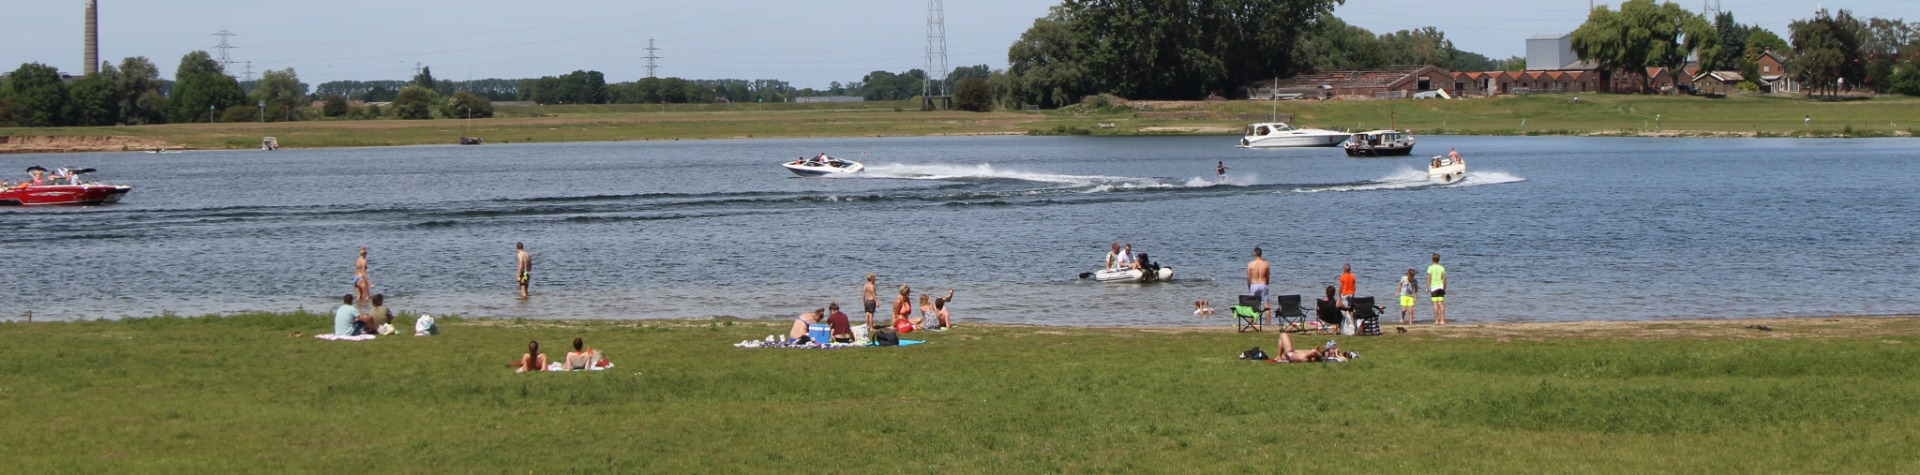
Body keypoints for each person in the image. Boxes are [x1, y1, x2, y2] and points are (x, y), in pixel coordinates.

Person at [1247, 247, 1271, 323]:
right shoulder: (1266, 264)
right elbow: (1267, 277)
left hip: (1254, 285)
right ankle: (1268, 322)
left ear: (1254, 254)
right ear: (1261, 254)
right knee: (1266, 304)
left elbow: (1248, 278)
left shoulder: (1250, 264)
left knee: (1252, 305)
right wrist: (1266, 285)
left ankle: (1251, 322)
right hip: (1263, 284)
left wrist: (1249, 287)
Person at [1426, 253, 1447, 325]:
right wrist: (1445, 287)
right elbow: (1444, 279)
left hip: (1434, 287)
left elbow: (1429, 278)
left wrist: (1427, 287)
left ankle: (1436, 320)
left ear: (1432, 259)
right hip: (1440, 287)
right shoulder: (1442, 268)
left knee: (1435, 304)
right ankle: (1442, 320)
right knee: (1441, 303)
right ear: (1439, 260)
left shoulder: (1430, 268)